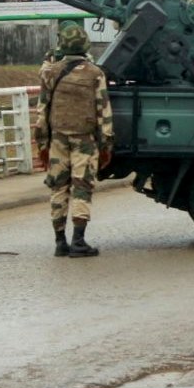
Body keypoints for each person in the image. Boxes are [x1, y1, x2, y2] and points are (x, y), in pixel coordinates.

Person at [34, 25, 114, 258]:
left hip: (58, 138)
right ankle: (79, 241)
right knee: (82, 188)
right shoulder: (95, 74)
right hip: (85, 140)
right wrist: (107, 143)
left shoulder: (50, 72)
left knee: (58, 187)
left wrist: (42, 145)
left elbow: (42, 112)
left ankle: (60, 242)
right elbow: (103, 111)